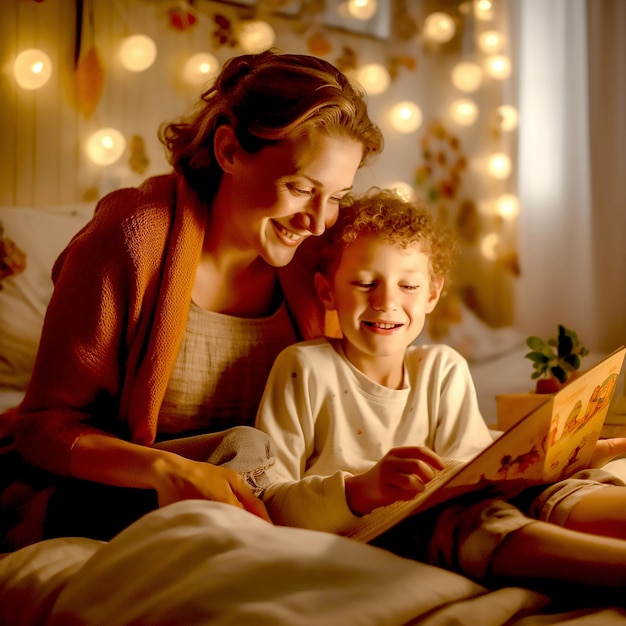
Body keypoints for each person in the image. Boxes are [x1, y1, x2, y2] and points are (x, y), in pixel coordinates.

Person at [0, 50, 384, 551]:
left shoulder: (321, 258)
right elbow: (41, 429)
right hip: (105, 493)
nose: (316, 220)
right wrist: (165, 469)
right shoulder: (133, 237)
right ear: (228, 151)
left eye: (334, 196)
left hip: (263, 498)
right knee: (246, 446)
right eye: (299, 188)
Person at [255, 187, 626, 594]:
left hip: (450, 508)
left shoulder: (442, 368)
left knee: (566, 486)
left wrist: (559, 458)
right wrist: (364, 490)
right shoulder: (303, 368)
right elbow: (272, 505)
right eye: (364, 283)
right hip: (373, 533)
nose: (386, 302)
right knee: (473, 522)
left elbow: (471, 474)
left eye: (408, 287)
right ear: (328, 292)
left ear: (432, 293)